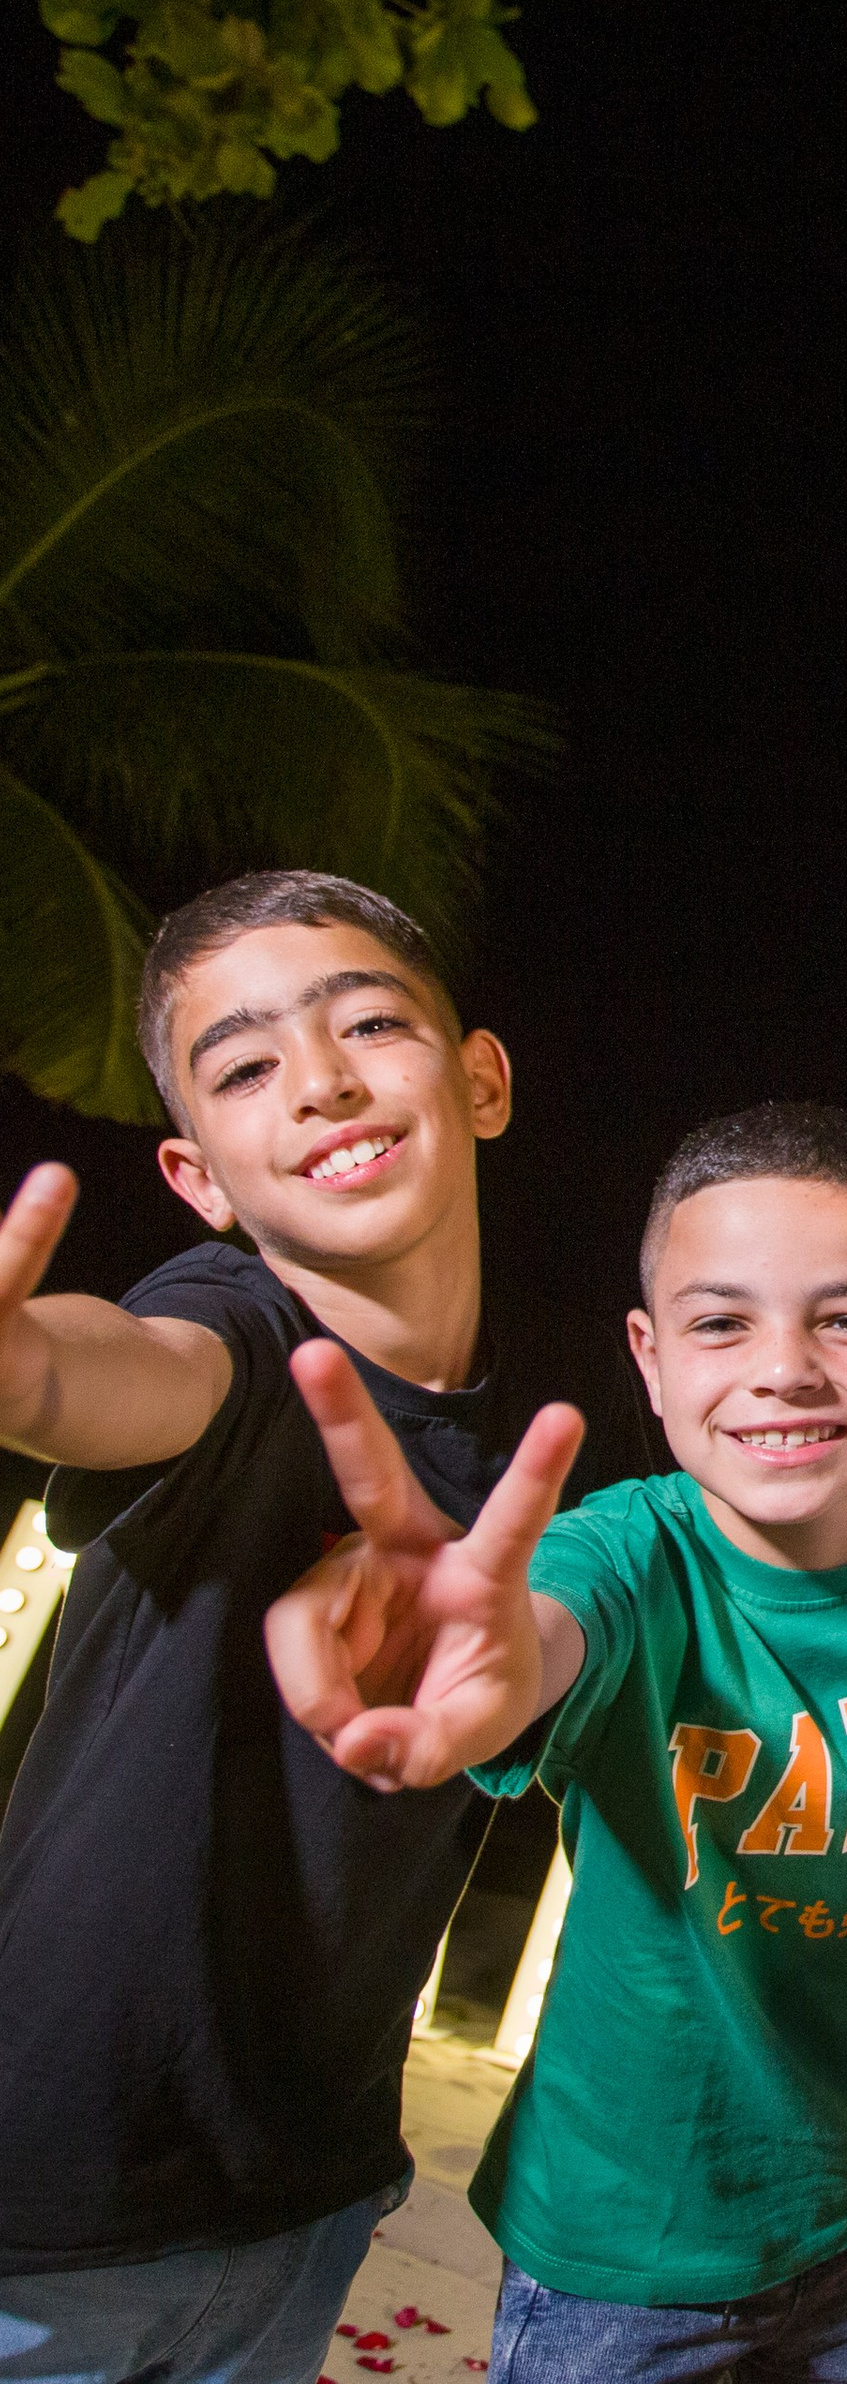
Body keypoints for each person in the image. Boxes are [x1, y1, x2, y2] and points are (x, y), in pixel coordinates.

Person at [265, 1100, 847, 2384]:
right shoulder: (628, 1558)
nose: (786, 1366)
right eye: (721, 1321)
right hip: (638, 2247)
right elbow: (536, 1635)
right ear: (649, 1355)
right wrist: (464, 1654)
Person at [0, 871, 581, 2384]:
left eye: (368, 1024)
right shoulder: (240, 1330)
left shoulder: (537, 1440)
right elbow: (113, 1369)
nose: (319, 1081)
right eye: (246, 1064)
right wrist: (16, 1369)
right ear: (200, 1180)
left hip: (309, 2197)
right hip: (45, 2191)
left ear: (481, 1079)